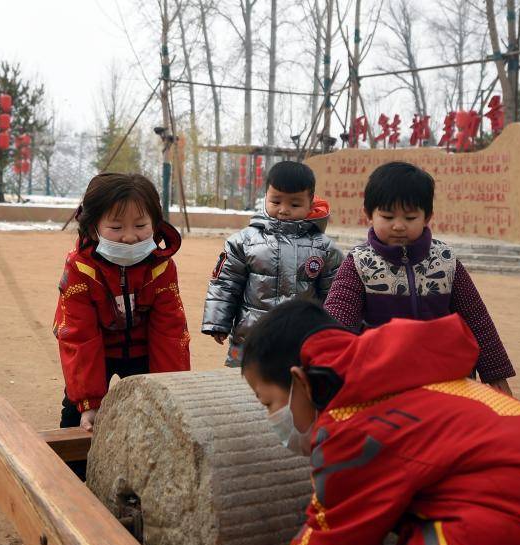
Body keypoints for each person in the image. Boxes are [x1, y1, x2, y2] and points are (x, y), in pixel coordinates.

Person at [241, 299, 520, 545]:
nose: (271, 417)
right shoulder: (420, 382)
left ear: (299, 382)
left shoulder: (352, 425)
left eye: (268, 402)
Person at [323, 161, 515, 393]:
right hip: (383, 380)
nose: (399, 226)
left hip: (447, 379)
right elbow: (337, 318)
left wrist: (495, 374)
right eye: (388, 216)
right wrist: (325, 370)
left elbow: (476, 318)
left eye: (410, 218)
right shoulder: (359, 262)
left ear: (427, 217)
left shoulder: (446, 260)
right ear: (369, 215)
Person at [54, 173, 190, 437]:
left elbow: (170, 332)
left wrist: (171, 389)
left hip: (144, 349)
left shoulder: (161, 267)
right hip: (97, 350)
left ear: (155, 223)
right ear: (93, 228)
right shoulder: (80, 268)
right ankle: (72, 472)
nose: (130, 237)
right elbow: (79, 336)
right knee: (76, 420)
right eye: (116, 228)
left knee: (159, 420)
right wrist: (89, 402)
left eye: (140, 225)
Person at [202, 160, 344, 367]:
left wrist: (334, 332)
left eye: (294, 204)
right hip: (250, 339)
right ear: (266, 196)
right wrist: (217, 321)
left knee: (297, 389)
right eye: (276, 202)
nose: (284, 210)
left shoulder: (325, 248)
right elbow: (225, 283)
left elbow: (335, 295)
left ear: (311, 201)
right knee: (240, 387)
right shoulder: (243, 242)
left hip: (303, 341)